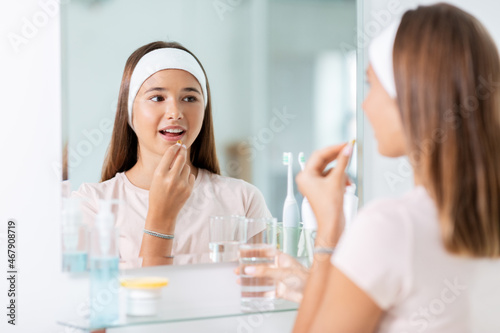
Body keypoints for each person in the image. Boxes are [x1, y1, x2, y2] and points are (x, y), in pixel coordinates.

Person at [241, 3, 500, 332]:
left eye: (371, 85)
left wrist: (328, 232)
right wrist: (323, 286)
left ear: (410, 96)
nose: (365, 104)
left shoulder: (392, 227)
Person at [72, 41, 271, 266]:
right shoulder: (92, 206)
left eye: (189, 98)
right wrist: (161, 217)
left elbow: (262, 293)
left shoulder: (244, 200)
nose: (175, 112)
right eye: (157, 98)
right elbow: (121, 300)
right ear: (129, 112)